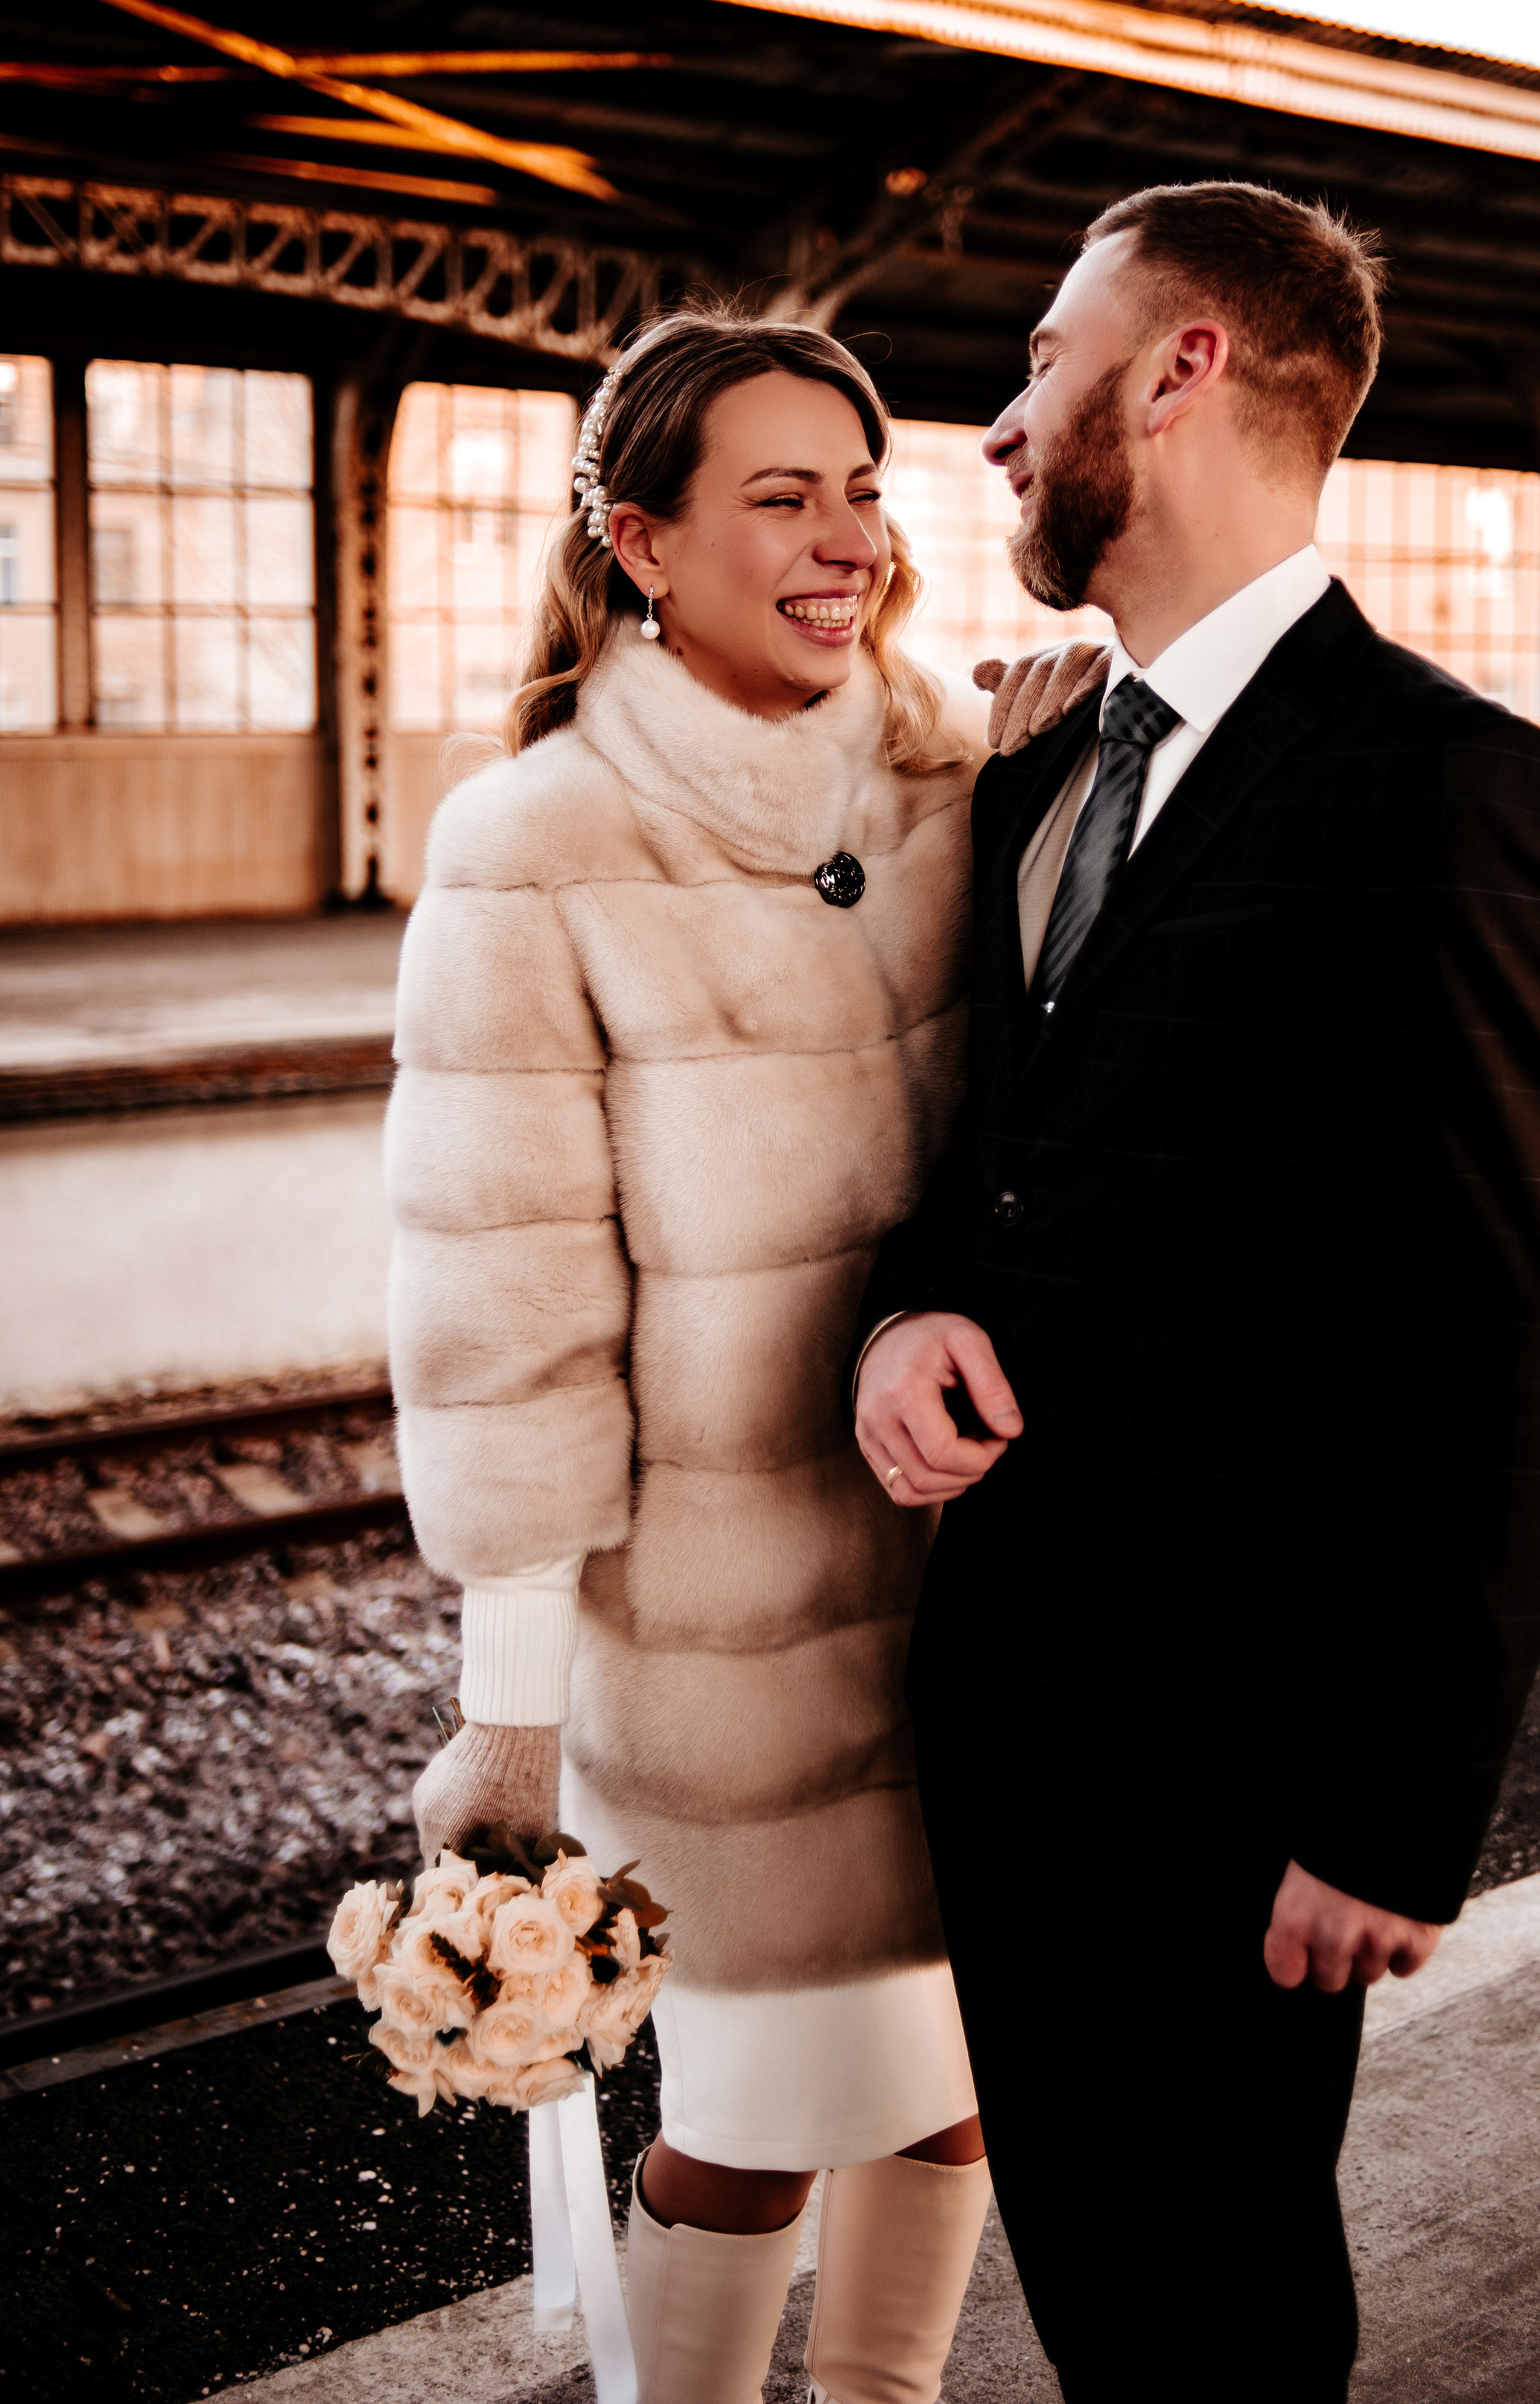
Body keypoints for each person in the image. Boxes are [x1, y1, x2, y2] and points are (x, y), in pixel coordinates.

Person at [854, 183, 1540, 2398]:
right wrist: (910, 1315)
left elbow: (1513, 1325)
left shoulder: (1449, 785)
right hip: (1014, 1724)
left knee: (1223, 2319)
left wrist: (1397, 1804)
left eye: (1043, 361)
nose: (999, 427)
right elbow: (980, 1165)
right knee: (1110, 2296)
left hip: (1238, 1768)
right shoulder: (1042, 778)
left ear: (1184, 368)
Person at [389, 309, 992, 2404]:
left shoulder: (953, 772)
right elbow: (508, 1324)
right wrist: (512, 1717)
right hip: (728, 1655)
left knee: (951, 2091)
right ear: (640, 542)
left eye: (861, 486)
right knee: (745, 2125)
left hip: (982, 1610)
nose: (844, 538)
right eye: (778, 495)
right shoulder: (533, 846)